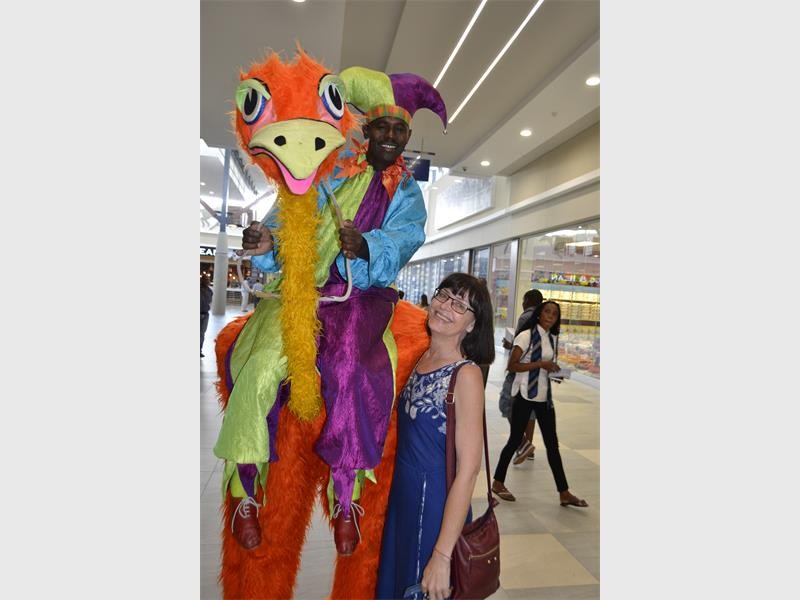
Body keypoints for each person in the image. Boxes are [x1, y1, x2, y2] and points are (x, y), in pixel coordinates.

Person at [214, 65, 448, 554]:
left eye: (398, 130)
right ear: (366, 129)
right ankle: (245, 489)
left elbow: (404, 241)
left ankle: (346, 493)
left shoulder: (407, 193)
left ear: (408, 136)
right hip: (298, 292)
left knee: (352, 368)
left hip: (359, 296)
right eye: (380, 126)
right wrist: (264, 241)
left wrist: (366, 246)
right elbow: (286, 222)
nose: (388, 136)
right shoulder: (329, 169)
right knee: (258, 368)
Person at [376, 273, 495, 600]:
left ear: (472, 324)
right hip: (404, 498)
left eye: (460, 305)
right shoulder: (422, 356)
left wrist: (442, 556)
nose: (445, 307)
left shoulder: (466, 375)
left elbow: (469, 471)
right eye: (444, 296)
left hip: (435, 506)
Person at [491, 300, 588, 508]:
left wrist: (555, 372)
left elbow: (544, 367)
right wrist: (541, 364)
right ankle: (498, 483)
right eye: (547, 311)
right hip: (524, 396)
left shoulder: (552, 338)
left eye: (554, 313)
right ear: (539, 314)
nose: (550, 316)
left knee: (552, 445)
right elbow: (513, 365)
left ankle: (564, 492)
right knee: (515, 440)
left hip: (544, 398)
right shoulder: (525, 336)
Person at [500, 289, 544, 463]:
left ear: (527, 301)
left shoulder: (526, 317)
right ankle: (528, 448)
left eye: (524, 300)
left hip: (522, 369)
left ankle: (523, 443)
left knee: (507, 404)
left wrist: (510, 345)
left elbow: (521, 347)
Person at [200, 276, 213, 358]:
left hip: (205, 314)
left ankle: (199, 350)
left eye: (208, 280)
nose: (208, 281)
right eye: (206, 280)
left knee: (202, 333)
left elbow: (209, 301)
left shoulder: (209, 291)